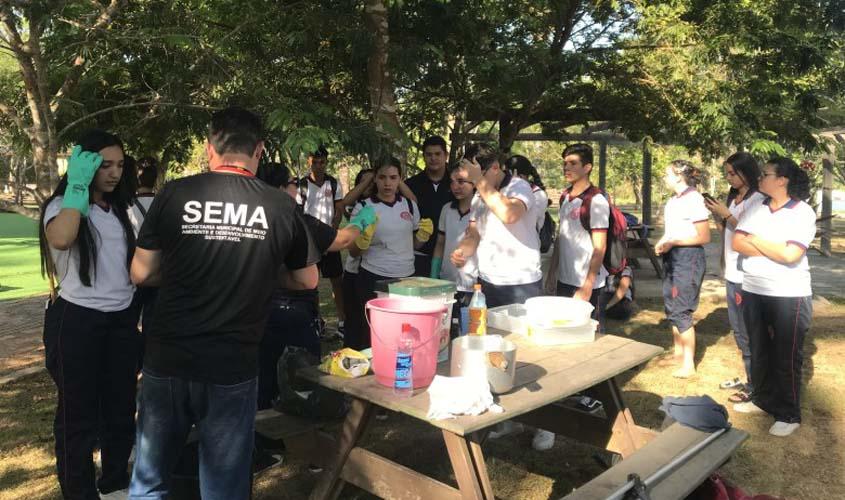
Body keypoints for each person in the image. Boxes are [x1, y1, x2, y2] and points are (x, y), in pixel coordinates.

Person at [128, 107, 318, 500]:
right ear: (260, 149)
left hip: (168, 359)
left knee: (150, 479)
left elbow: (142, 273)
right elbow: (306, 279)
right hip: (231, 365)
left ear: (210, 147)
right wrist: (258, 272)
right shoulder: (280, 206)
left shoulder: (175, 193)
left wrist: (187, 272)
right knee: (225, 487)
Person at [39, 130, 140, 499]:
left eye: (119, 165)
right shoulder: (63, 206)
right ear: (85, 165)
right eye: (104, 165)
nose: (113, 173)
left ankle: (115, 484)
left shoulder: (126, 210)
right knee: (77, 417)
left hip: (121, 323)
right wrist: (78, 188)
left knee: (120, 410)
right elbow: (62, 239)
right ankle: (79, 491)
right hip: (76, 322)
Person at [450, 145, 552, 451]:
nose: (469, 180)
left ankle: (545, 421)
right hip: (489, 283)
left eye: (474, 173)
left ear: (494, 167)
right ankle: (507, 414)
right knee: (495, 352)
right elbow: (474, 232)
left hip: (520, 283)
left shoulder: (519, 186)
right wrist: (463, 251)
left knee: (531, 356)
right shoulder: (482, 193)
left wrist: (481, 182)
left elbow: (509, 214)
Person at [255, 162, 376, 409]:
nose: (296, 190)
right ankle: (295, 424)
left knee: (264, 370)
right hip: (291, 308)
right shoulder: (293, 217)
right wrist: (361, 222)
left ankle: (264, 431)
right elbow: (340, 240)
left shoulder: (249, 215)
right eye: (292, 184)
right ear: (280, 187)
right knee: (300, 372)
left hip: (256, 308)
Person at [731, 157, 815, 437]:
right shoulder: (757, 207)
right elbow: (737, 241)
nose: (760, 178)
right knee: (760, 350)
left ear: (783, 180)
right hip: (754, 289)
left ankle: (788, 413)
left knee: (786, 355)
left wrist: (755, 240)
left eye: (766, 174)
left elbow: (791, 254)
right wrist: (770, 246)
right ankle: (762, 400)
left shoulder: (802, 213)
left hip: (788, 294)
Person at [348, 157, 433, 350]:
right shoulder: (365, 207)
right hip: (374, 277)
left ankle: (401, 372)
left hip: (406, 278)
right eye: (382, 177)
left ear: (400, 179)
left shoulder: (410, 205)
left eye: (393, 177)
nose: (388, 183)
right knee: (373, 334)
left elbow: (414, 246)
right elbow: (353, 252)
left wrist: (423, 236)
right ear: (375, 179)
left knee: (405, 333)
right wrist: (362, 240)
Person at [703, 152, 764, 403]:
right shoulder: (733, 196)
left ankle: (756, 385)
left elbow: (752, 234)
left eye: (732, 173)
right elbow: (727, 230)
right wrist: (718, 215)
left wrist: (727, 214)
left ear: (745, 172)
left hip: (746, 274)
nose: (728, 177)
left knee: (747, 332)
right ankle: (752, 378)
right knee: (739, 332)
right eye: (726, 173)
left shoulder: (759, 199)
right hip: (731, 271)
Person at [654, 160, 711, 379]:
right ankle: (678, 354)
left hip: (688, 259)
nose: (664, 177)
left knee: (682, 310)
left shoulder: (694, 199)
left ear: (679, 176)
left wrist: (674, 243)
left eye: (667, 173)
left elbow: (703, 236)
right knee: (672, 307)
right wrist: (664, 241)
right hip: (673, 257)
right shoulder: (673, 201)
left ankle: (689, 364)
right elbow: (673, 231)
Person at [545, 143, 609, 331]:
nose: (567, 168)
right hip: (565, 279)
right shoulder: (565, 197)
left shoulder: (596, 200)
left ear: (587, 167)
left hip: (588, 283)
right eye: (565, 163)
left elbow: (600, 247)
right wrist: (552, 272)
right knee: (565, 330)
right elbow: (561, 237)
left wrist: (588, 285)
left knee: (591, 333)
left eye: (573, 163)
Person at [296, 145, 347, 338]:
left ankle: (342, 321)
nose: (318, 166)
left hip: (330, 239)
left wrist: (331, 233)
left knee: (337, 281)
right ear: (309, 161)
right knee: (311, 283)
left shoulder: (333, 184)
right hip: (310, 242)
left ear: (327, 162)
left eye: (322, 162)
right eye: (315, 162)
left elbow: (339, 209)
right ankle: (317, 320)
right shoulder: (301, 185)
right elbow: (299, 214)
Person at [431, 161, 478, 333]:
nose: (455, 186)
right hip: (446, 284)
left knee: (469, 333)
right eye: (452, 182)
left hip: (473, 286)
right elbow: (440, 243)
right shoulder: (446, 210)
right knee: (445, 333)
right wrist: (433, 276)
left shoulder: (481, 210)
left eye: (461, 181)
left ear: (475, 183)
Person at [406, 136, 455, 277]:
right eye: (429, 154)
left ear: (446, 155)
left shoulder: (457, 183)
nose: (433, 158)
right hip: (419, 254)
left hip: (450, 255)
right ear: (424, 156)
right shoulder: (411, 184)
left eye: (438, 154)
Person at [129, 157, 160, 352]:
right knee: (153, 323)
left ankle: (133, 360)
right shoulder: (164, 203)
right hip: (158, 273)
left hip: (133, 271)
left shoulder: (126, 206)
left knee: (129, 321)